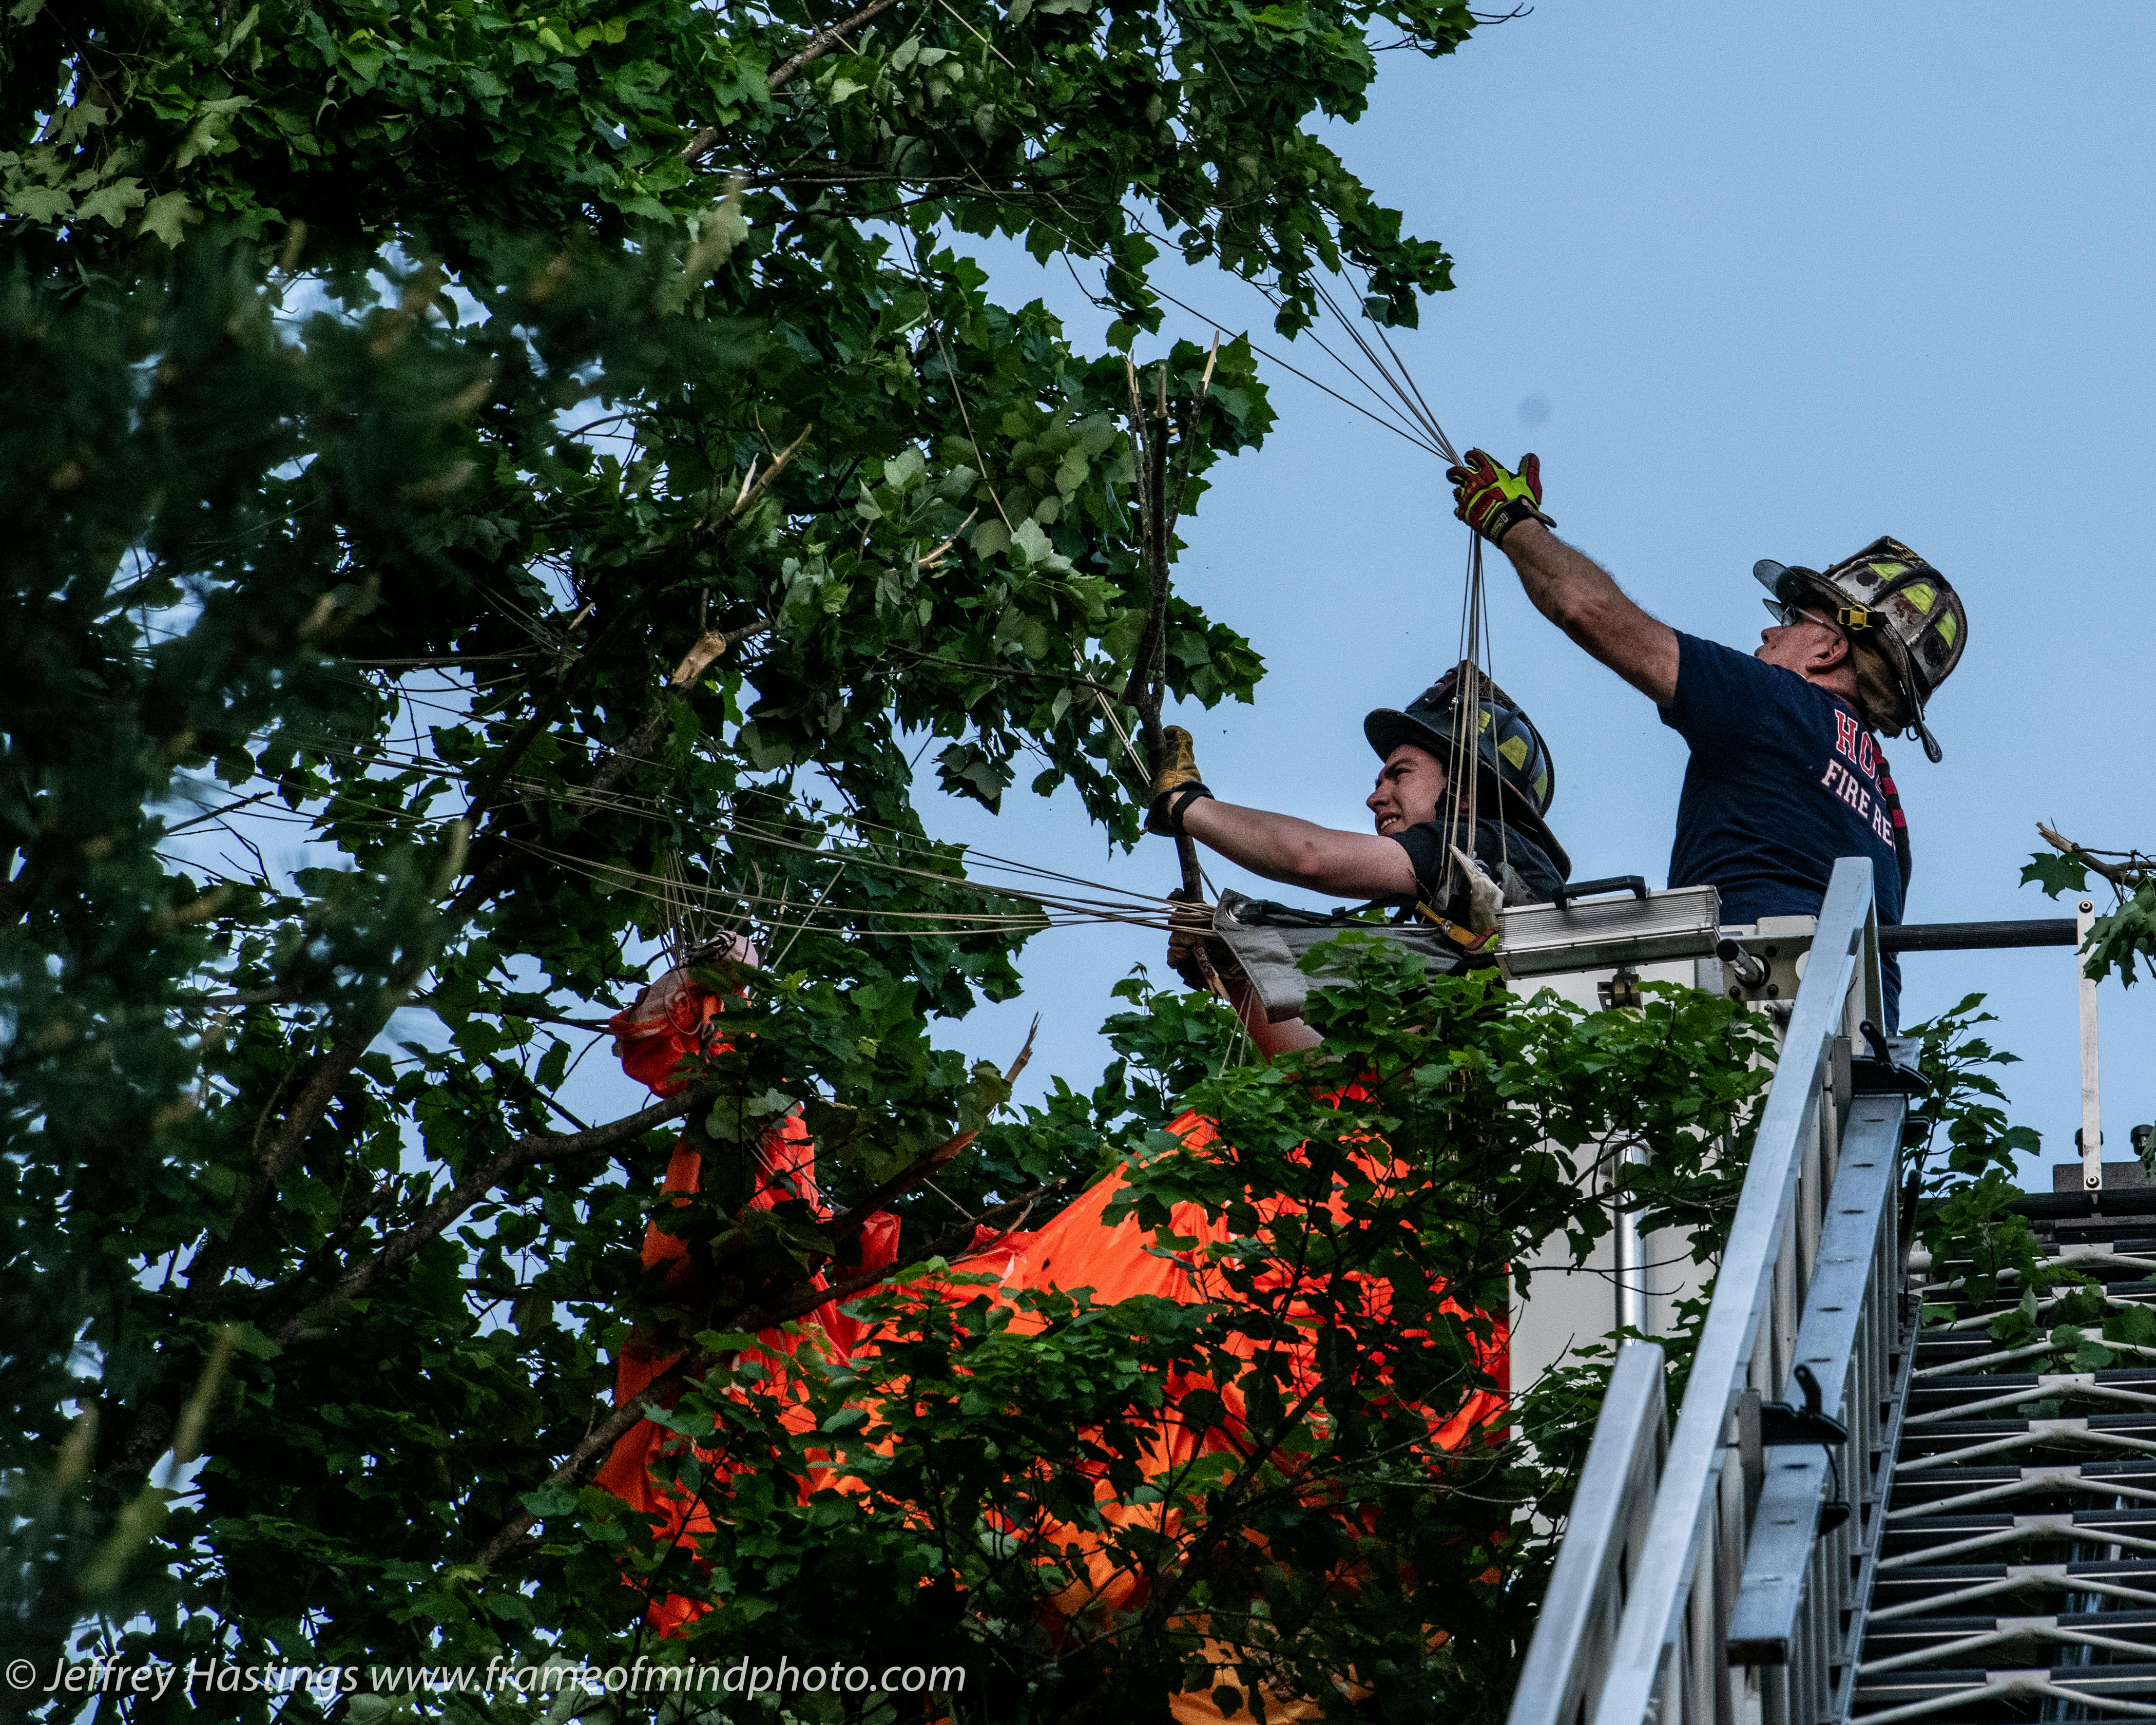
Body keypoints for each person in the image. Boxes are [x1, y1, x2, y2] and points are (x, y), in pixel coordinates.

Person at [1443, 451, 1969, 1031]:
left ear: (1829, 650)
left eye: (1794, 618)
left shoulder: (1777, 704)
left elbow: (1587, 609)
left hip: (1751, 999)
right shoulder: (1888, 816)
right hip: (1855, 1043)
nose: (1770, 630)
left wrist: (1513, 523)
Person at [1145, 661, 1571, 1052]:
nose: (1375, 798)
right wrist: (1234, 976)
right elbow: (1329, 1081)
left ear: (1465, 794)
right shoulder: (1444, 954)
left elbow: (1309, 857)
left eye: (1399, 774)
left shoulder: (1492, 849)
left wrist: (1184, 805)